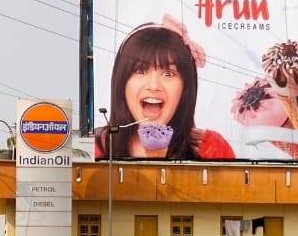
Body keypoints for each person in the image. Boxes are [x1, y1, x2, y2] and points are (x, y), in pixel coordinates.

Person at [94, 16, 234, 161]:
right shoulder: (94, 148)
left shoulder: (212, 149)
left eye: (168, 73)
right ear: (122, 82)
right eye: (141, 71)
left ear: (185, 88)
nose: (154, 86)